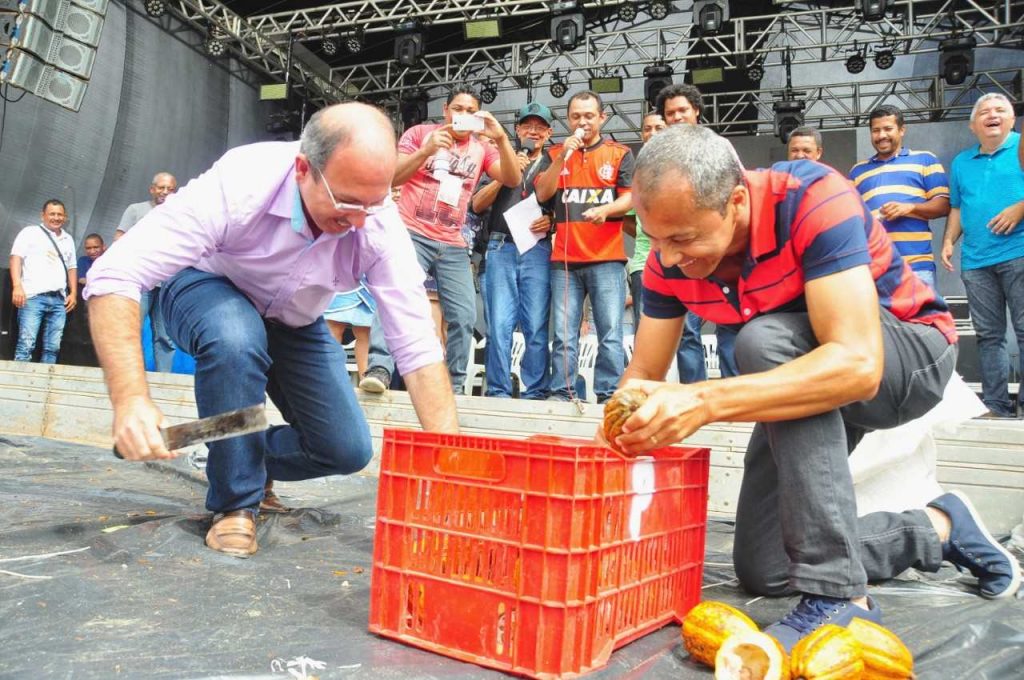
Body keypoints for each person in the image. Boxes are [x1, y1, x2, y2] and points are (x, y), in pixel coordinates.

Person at [606, 124, 1019, 650]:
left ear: (736, 200)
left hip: (905, 358)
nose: (665, 258)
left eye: (682, 239)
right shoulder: (670, 259)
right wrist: (616, 436)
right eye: (654, 238)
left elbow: (857, 366)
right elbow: (642, 372)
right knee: (768, 566)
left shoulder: (810, 198)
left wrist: (703, 399)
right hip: (803, 383)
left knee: (762, 341)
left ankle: (838, 595)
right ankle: (936, 528)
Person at [84, 103, 459, 557]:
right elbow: (115, 275)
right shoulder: (244, 180)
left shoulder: (377, 224)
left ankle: (218, 441)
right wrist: (131, 401)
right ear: (304, 168)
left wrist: (450, 468)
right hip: (207, 286)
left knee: (346, 449)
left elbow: (418, 347)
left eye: (373, 202)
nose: (359, 220)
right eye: (346, 202)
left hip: (295, 319)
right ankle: (235, 504)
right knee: (236, 338)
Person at [359, 86, 522, 394]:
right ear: (446, 110)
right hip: (411, 232)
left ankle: (455, 386)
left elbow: (512, 179)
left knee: (463, 315)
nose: (464, 115)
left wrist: (500, 138)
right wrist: (425, 151)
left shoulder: (482, 148)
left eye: (471, 111)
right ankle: (380, 368)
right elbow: (391, 178)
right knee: (395, 298)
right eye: (458, 109)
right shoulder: (420, 133)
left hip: (453, 241)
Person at [534, 90, 634, 403]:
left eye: (589, 115)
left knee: (610, 333)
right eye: (576, 115)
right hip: (564, 260)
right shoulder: (554, 153)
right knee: (564, 335)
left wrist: (607, 210)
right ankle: (562, 393)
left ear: (602, 117)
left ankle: (607, 395)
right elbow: (542, 194)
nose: (583, 121)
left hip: (607, 259)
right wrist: (563, 156)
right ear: (568, 118)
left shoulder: (620, 153)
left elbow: (632, 196)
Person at [941, 93, 1024, 418]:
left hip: (1018, 253)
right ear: (973, 125)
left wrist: (1020, 208)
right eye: (985, 112)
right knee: (989, 336)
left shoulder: (1020, 148)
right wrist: (949, 240)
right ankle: (996, 405)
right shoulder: (962, 162)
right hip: (976, 261)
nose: (993, 115)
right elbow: (957, 207)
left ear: (1012, 119)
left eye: (1000, 110)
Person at [472, 102, 556, 399]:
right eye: (527, 126)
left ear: (549, 132)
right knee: (499, 325)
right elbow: (476, 204)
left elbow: (564, 208)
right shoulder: (499, 158)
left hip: (537, 248)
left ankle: (536, 391)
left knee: (535, 325)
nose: (533, 131)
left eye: (539, 127)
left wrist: (553, 220)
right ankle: (498, 391)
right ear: (517, 130)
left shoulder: (554, 161)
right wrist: (505, 175)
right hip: (501, 246)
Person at [655, 82, 739, 381]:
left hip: (719, 250)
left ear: (697, 112)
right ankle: (693, 392)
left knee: (730, 323)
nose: (677, 117)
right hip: (680, 254)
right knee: (687, 330)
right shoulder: (658, 157)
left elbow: (739, 189)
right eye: (670, 113)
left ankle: (734, 397)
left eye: (682, 110)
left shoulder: (718, 146)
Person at [849, 105, 950, 291]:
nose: (881, 135)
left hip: (916, 267)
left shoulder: (925, 160)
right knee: (875, 321)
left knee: (920, 321)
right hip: (873, 268)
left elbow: (944, 205)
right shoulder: (857, 171)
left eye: (888, 129)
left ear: (902, 130)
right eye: (876, 130)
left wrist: (909, 208)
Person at [117, 172, 179, 372]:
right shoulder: (136, 210)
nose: (165, 192)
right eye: (161, 187)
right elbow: (119, 239)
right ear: (152, 189)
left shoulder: (179, 214)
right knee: (132, 330)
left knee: (165, 336)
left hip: (166, 283)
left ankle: (165, 381)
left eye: (170, 189)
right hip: (140, 281)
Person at [9, 199, 78, 363]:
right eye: (52, 214)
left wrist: (74, 292)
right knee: (26, 344)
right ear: (43, 215)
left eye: (59, 214)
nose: (56, 217)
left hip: (59, 299)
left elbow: (72, 267)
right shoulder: (30, 232)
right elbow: (15, 258)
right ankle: (21, 386)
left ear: (65, 217)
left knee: (53, 348)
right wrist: (17, 286)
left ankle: (46, 387)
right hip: (33, 297)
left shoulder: (68, 239)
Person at [624, 112, 667, 332]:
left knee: (687, 333)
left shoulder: (685, 165)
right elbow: (625, 217)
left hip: (682, 262)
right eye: (648, 129)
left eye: (659, 128)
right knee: (644, 330)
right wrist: (646, 234)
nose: (652, 133)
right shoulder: (637, 173)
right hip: (644, 264)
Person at [324, 280, 376, 379]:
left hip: (367, 277)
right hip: (338, 277)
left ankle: (366, 381)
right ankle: (330, 378)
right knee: (333, 330)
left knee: (365, 334)